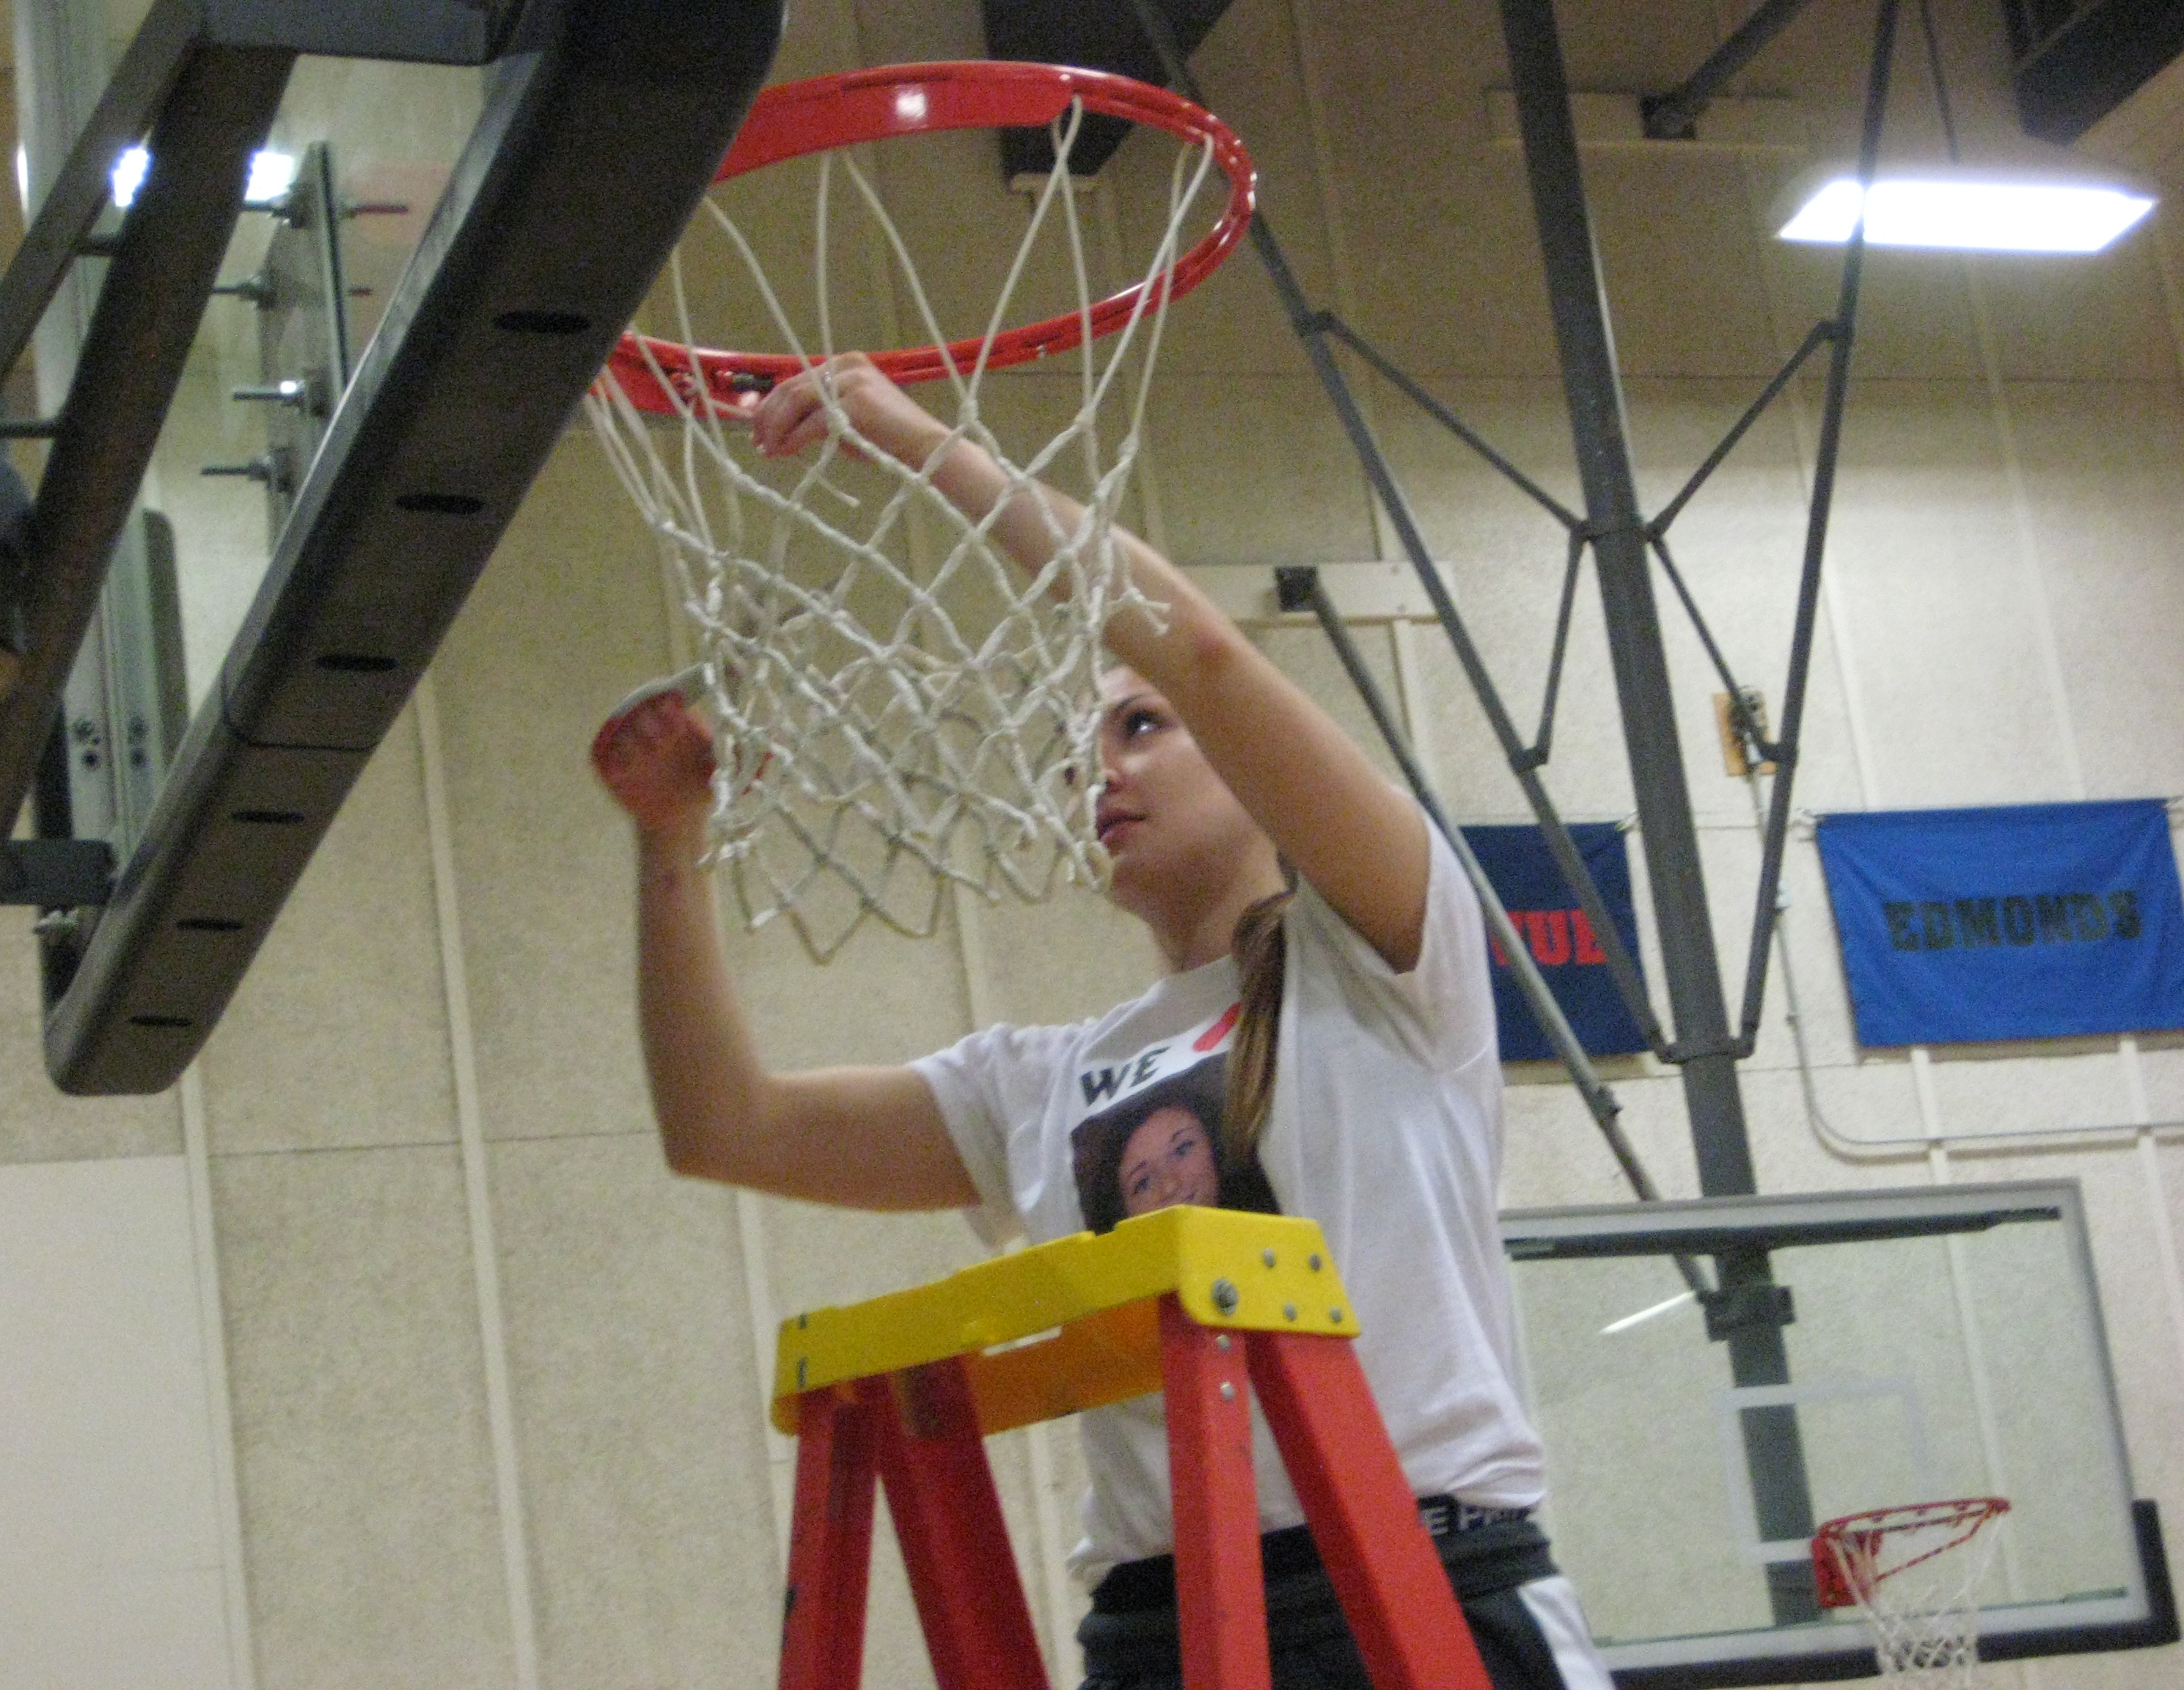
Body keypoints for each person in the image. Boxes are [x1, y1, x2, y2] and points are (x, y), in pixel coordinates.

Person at [591, 354, 1613, 1690]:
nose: (1103, 773)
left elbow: (1200, 646)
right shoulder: (1045, 1077)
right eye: (1082, 759)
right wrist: (671, 844)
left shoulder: (1378, 954)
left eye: (1141, 730)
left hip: (1413, 1583)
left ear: (1252, 770)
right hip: (1162, 1622)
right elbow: (724, 1127)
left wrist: (919, 445)